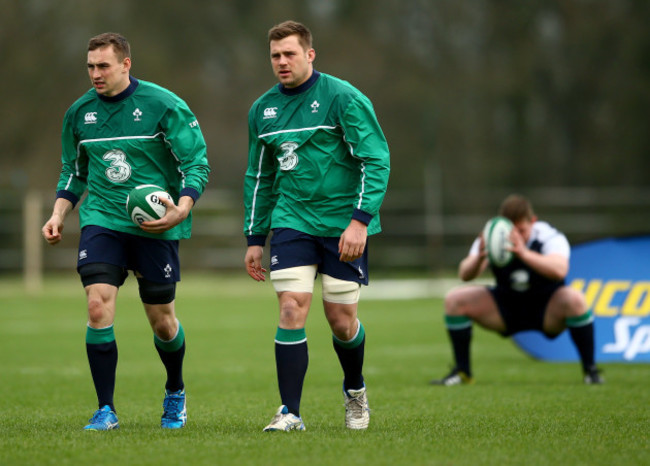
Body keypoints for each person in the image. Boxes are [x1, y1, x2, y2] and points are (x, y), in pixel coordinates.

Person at [41, 32, 210, 430]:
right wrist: (58, 213)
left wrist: (181, 209)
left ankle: (175, 391)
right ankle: (106, 409)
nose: (95, 74)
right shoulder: (79, 113)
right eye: (90, 66)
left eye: (103, 66)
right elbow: (74, 171)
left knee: (162, 320)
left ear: (126, 64)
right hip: (102, 219)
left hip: (156, 225)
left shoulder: (163, 105)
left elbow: (196, 163)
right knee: (97, 305)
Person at [243, 20, 390, 432]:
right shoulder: (262, 110)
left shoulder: (343, 98)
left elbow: (376, 159)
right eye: (275, 55)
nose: (282, 62)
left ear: (310, 54)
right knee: (291, 307)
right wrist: (255, 237)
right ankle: (290, 412)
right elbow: (259, 177)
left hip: (343, 223)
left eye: (290, 53)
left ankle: (356, 391)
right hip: (291, 221)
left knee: (341, 321)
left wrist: (359, 221)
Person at [431, 194, 603, 386]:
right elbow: (465, 274)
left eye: (522, 230)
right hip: (506, 307)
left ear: (533, 222)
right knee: (455, 299)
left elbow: (560, 270)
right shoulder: (495, 234)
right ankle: (462, 373)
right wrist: (479, 258)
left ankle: (591, 371)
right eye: (513, 231)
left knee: (575, 299)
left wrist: (523, 253)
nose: (516, 237)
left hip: (547, 309)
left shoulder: (549, 236)